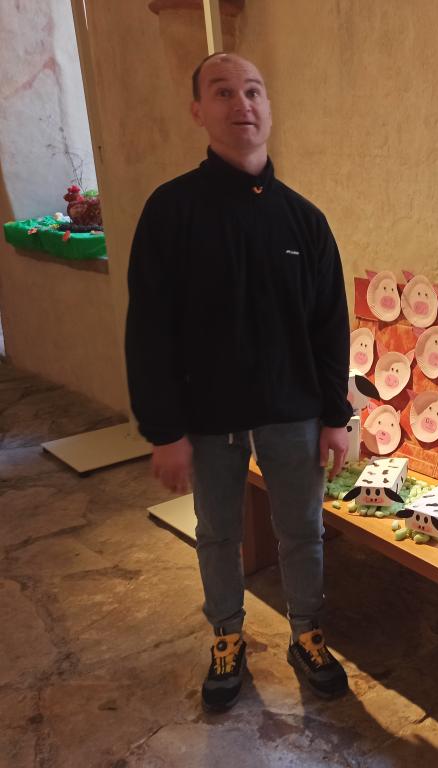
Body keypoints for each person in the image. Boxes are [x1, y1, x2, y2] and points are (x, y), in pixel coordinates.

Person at [125, 52, 353, 712]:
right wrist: (164, 430)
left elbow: (328, 327)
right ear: (199, 110)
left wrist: (335, 416)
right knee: (218, 533)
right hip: (208, 415)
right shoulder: (171, 211)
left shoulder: (303, 220)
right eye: (222, 92)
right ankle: (227, 636)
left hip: (292, 411)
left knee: (302, 531)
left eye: (253, 91)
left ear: (268, 108)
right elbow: (149, 328)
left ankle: (306, 633)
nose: (241, 104)